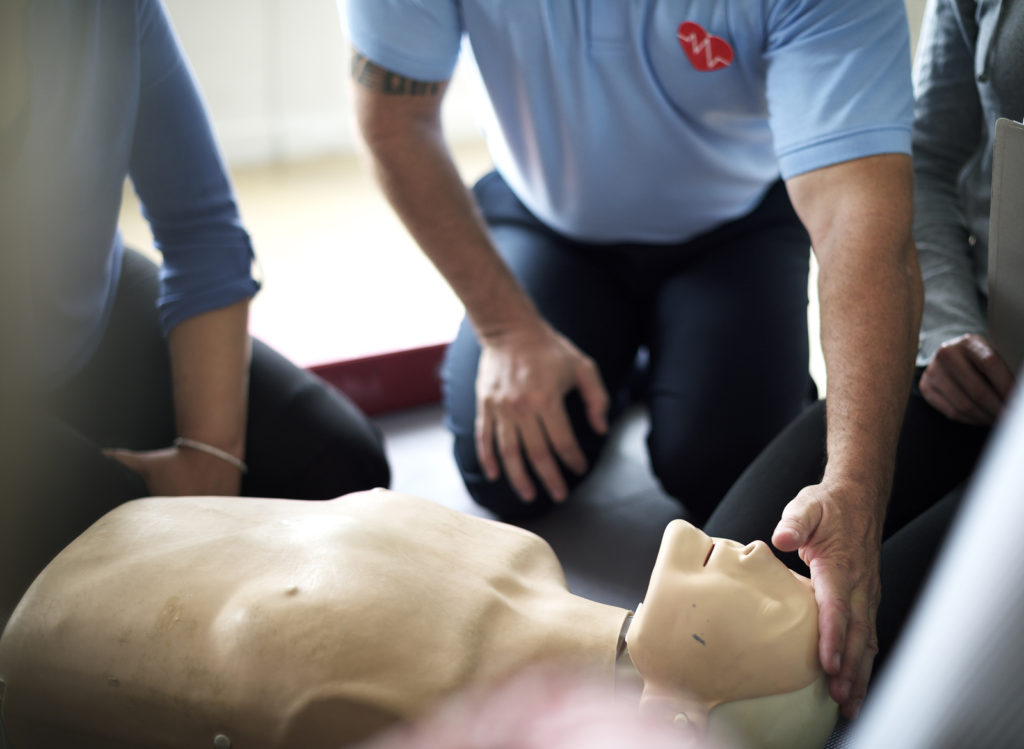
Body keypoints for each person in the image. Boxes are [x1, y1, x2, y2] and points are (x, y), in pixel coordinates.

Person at [345, 0, 922, 719]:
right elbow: (393, 122)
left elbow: (859, 215)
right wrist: (509, 330)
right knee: (506, 470)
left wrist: (856, 487)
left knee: (723, 465)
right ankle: (631, 356)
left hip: (734, 221)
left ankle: (678, 360)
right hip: (550, 216)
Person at [0, 0, 389, 624]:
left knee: (344, 468)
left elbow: (200, 227)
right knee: (104, 531)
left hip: (85, 309)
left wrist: (209, 460)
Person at [703, 0, 1021, 691]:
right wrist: (949, 331)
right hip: (980, 357)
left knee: (845, 673)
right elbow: (930, 165)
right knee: (715, 602)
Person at [0, 488, 838, 749]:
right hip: (125, 535)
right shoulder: (526, 558)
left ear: (676, 714)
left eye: (781, 607)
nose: (768, 556)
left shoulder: (415, 696)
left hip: (51, 630)